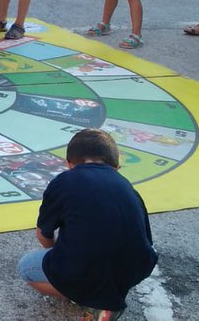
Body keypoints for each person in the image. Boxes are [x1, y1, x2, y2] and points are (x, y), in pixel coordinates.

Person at [17, 128, 157, 319]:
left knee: (26, 267)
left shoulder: (64, 181)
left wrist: (55, 253)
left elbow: (43, 234)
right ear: (116, 167)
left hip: (86, 269)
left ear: (69, 164)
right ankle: (106, 296)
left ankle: (91, 301)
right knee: (103, 259)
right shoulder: (126, 185)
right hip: (137, 268)